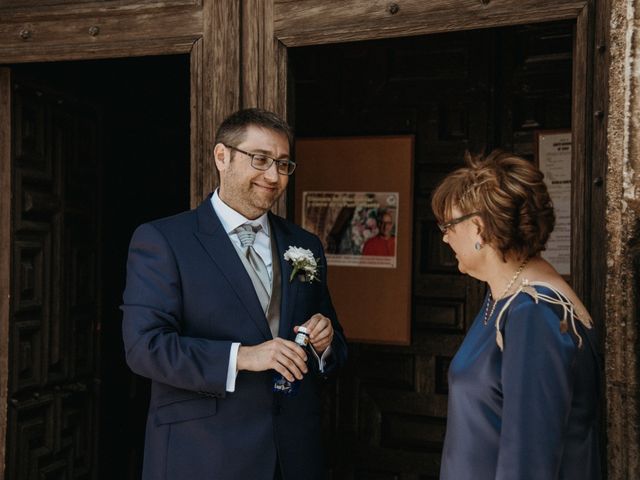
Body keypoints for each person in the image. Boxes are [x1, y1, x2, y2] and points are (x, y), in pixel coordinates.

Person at [121, 108, 348, 480]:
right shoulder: (163, 240)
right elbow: (145, 349)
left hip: (293, 455)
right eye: (260, 159)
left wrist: (325, 343)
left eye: (283, 163)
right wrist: (242, 357)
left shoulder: (305, 244)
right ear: (221, 157)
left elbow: (336, 344)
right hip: (202, 455)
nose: (273, 176)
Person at [431, 150, 600, 480]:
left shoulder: (534, 313)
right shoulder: (503, 295)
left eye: (449, 225)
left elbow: (529, 460)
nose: (444, 236)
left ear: (478, 228)